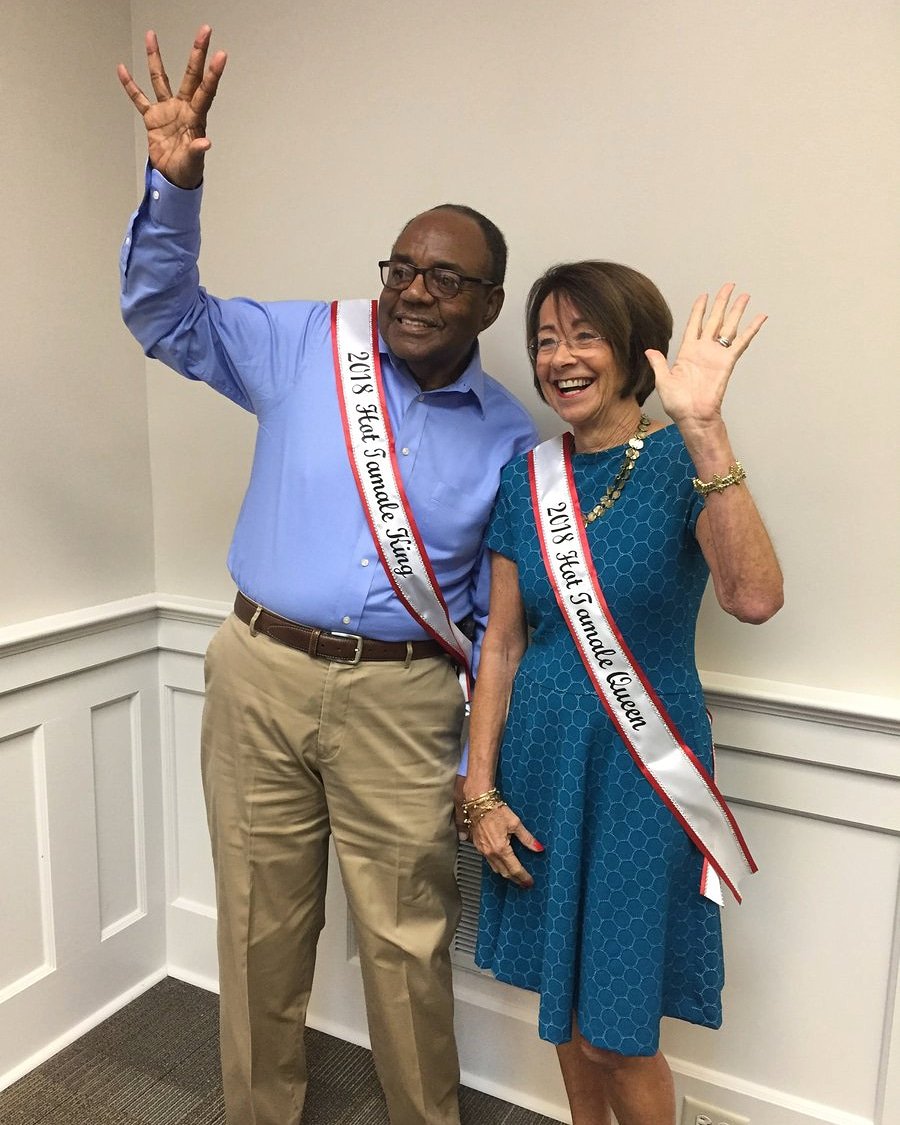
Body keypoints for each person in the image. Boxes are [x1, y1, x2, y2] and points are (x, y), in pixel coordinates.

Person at [117, 25, 537, 1125]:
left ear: (489, 303)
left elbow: (505, 622)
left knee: (406, 943)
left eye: (444, 277)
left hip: (400, 702)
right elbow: (164, 317)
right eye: (400, 267)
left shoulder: (510, 441)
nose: (412, 290)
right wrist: (174, 189)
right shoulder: (309, 344)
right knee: (257, 933)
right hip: (257, 669)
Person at [464, 261, 783, 1125]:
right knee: (562, 1007)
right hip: (541, 763)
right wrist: (478, 786)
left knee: (618, 1031)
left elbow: (753, 599)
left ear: (633, 349)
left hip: (644, 776)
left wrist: (707, 427)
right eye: (544, 340)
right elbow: (500, 644)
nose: (560, 358)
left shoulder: (685, 456)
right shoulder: (524, 481)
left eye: (583, 336)